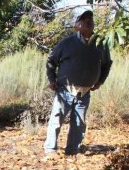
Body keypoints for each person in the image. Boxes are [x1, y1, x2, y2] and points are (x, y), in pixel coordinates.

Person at [44, 10, 112, 156]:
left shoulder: (100, 43)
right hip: (64, 90)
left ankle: (72, 150)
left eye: (90, 20)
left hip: (85, 92)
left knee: (79, 123)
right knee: (56, 120)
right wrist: (52, 80)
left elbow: (107, 64)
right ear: (77, 25)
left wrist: (100, 81)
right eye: (84, 20)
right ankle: (50, 149)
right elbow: (51, 61)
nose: (88, 21)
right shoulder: (66, 43)